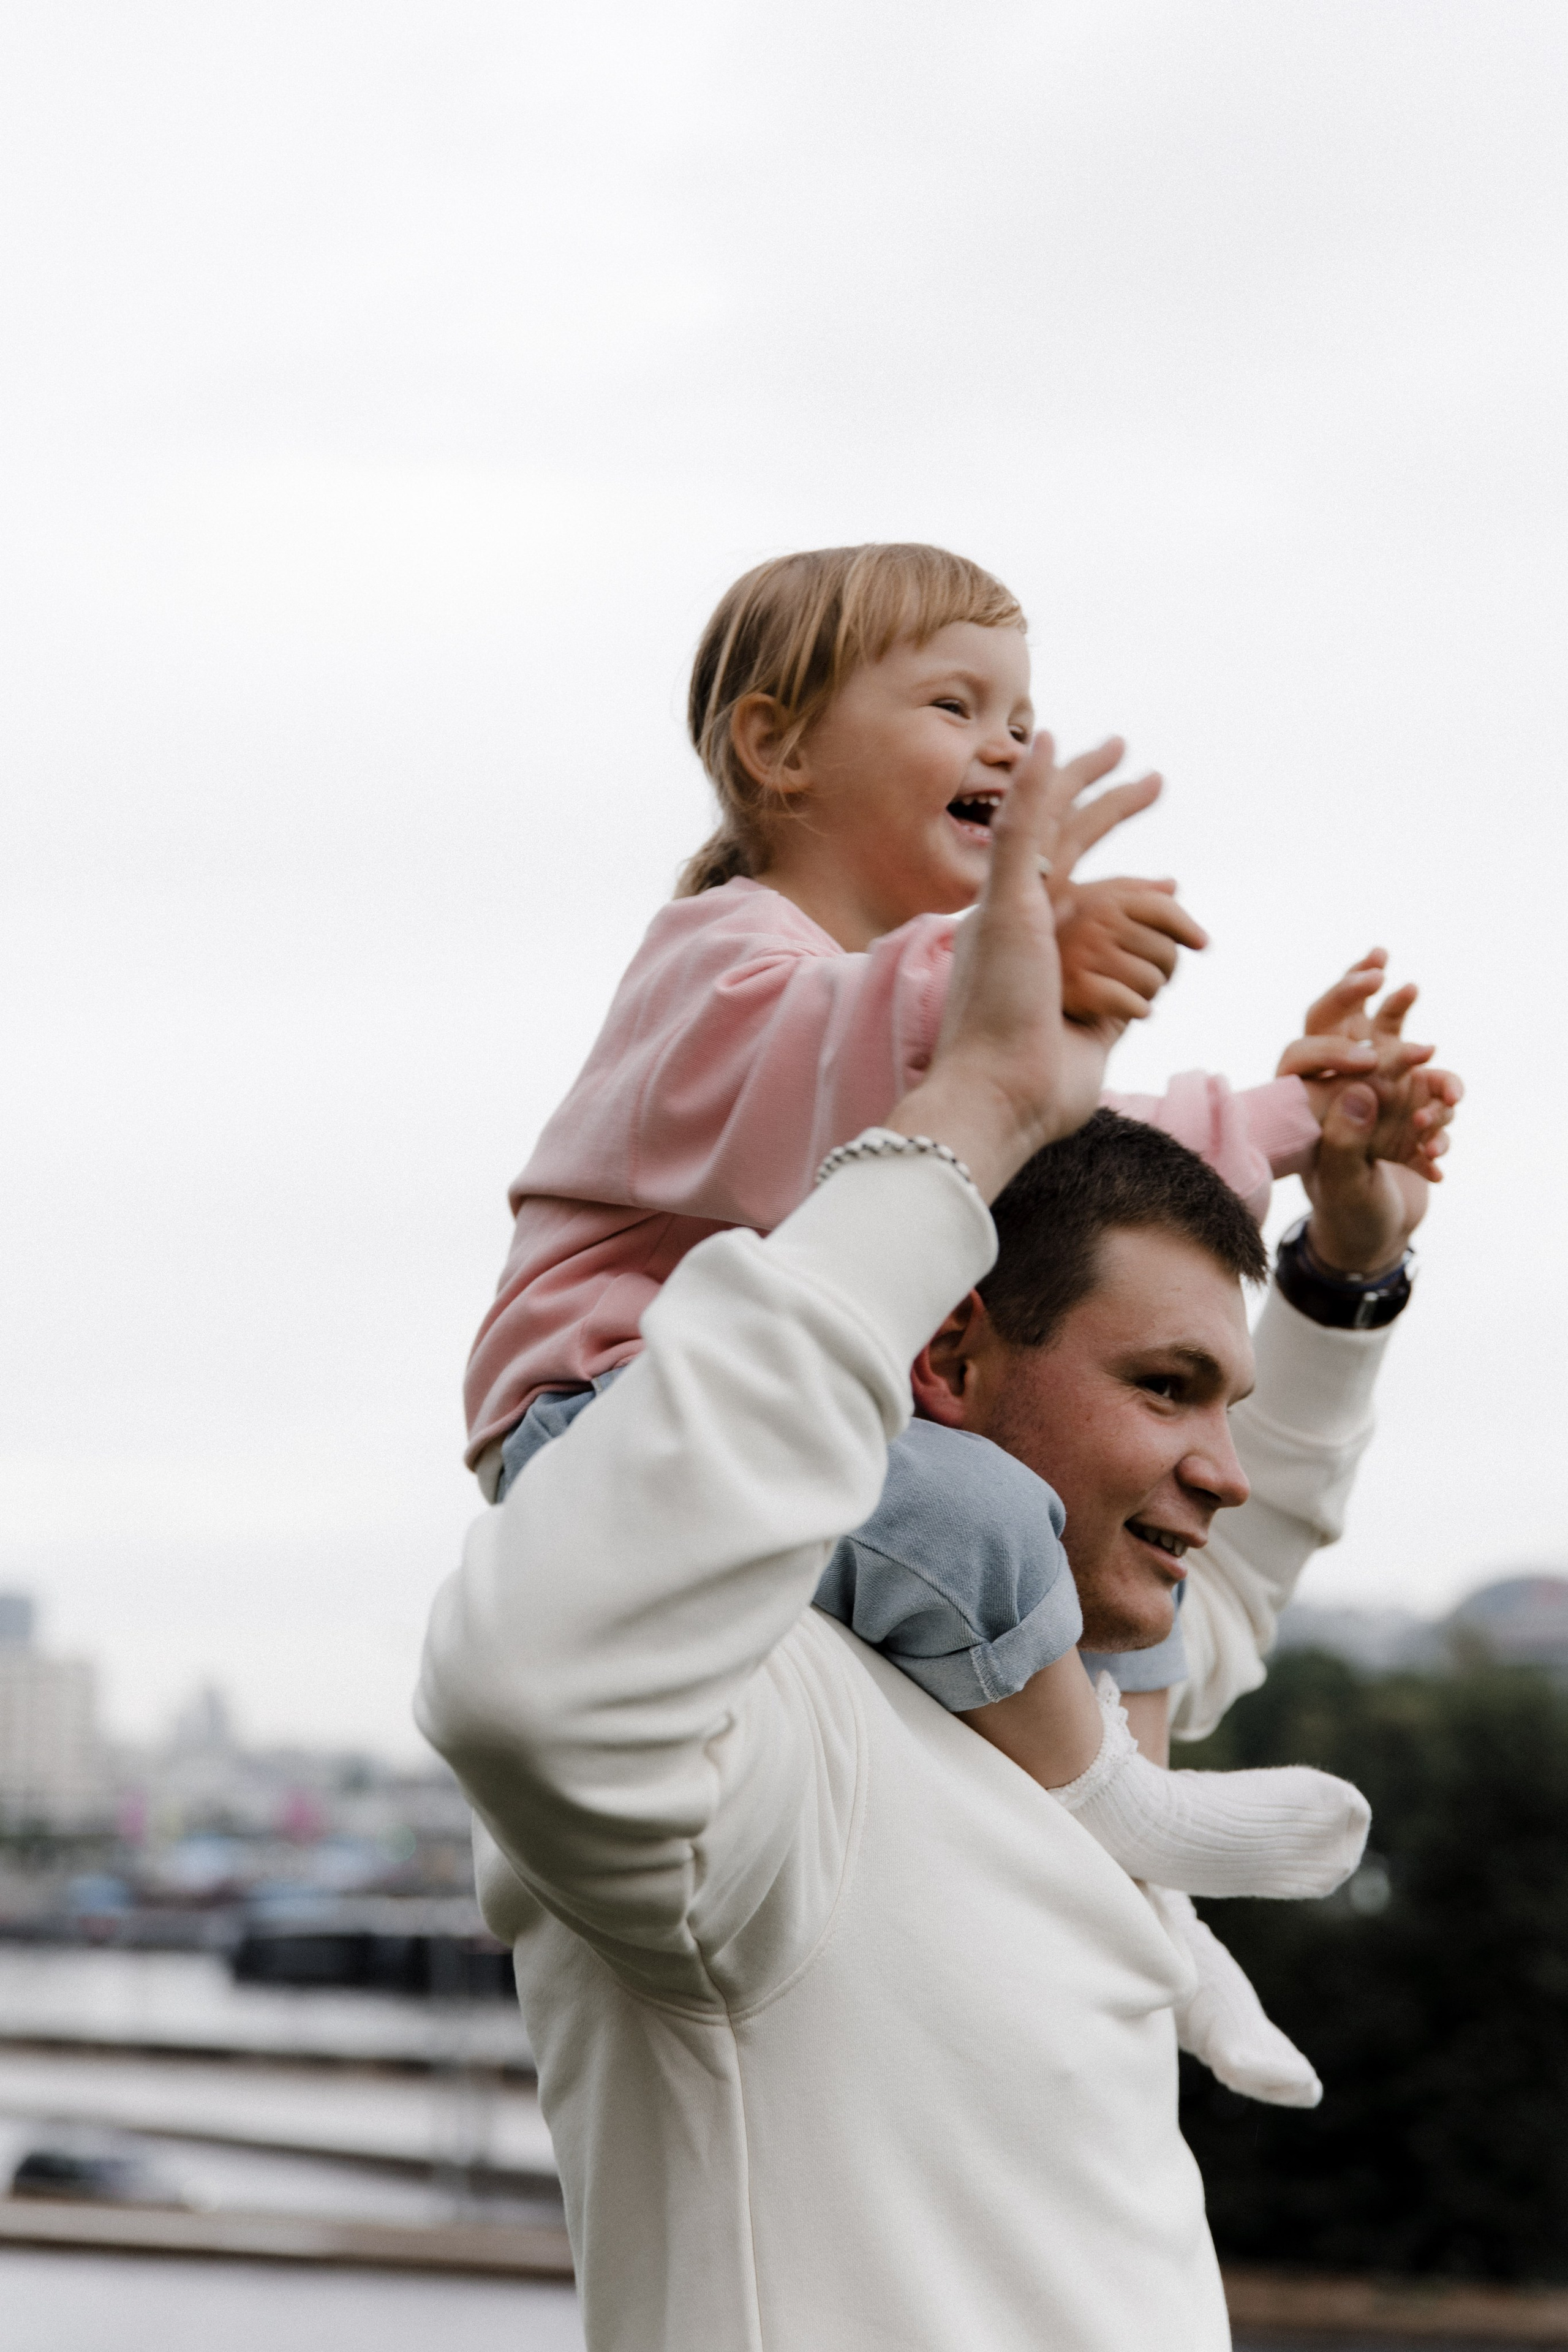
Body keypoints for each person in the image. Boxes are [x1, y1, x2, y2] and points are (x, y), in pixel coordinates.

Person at [418, 760, 1428, 2350]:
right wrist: (973, 1108)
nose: (1225, 1473)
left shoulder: (1033, 1698)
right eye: (1166, 1387)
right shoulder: (764, 1747)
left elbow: (1211, 1609)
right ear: (943, 1365)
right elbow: (527, 1691)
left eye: (1228, 1402)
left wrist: (1346, 1284)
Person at [458, 541, 1458, 2092]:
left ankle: (1152, 1888)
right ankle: (1128, 1821)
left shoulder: (895, 1010)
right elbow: (852, 1068)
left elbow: (1066, 1144)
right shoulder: (728, 961)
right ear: (774, 748)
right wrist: (997, 972)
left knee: (1107, 1578)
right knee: (985, 1505)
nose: (1006, 743)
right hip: (609, 1416)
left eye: (1021, 713)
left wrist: (1290, 1137)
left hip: (792, 1442)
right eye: (953, 703)